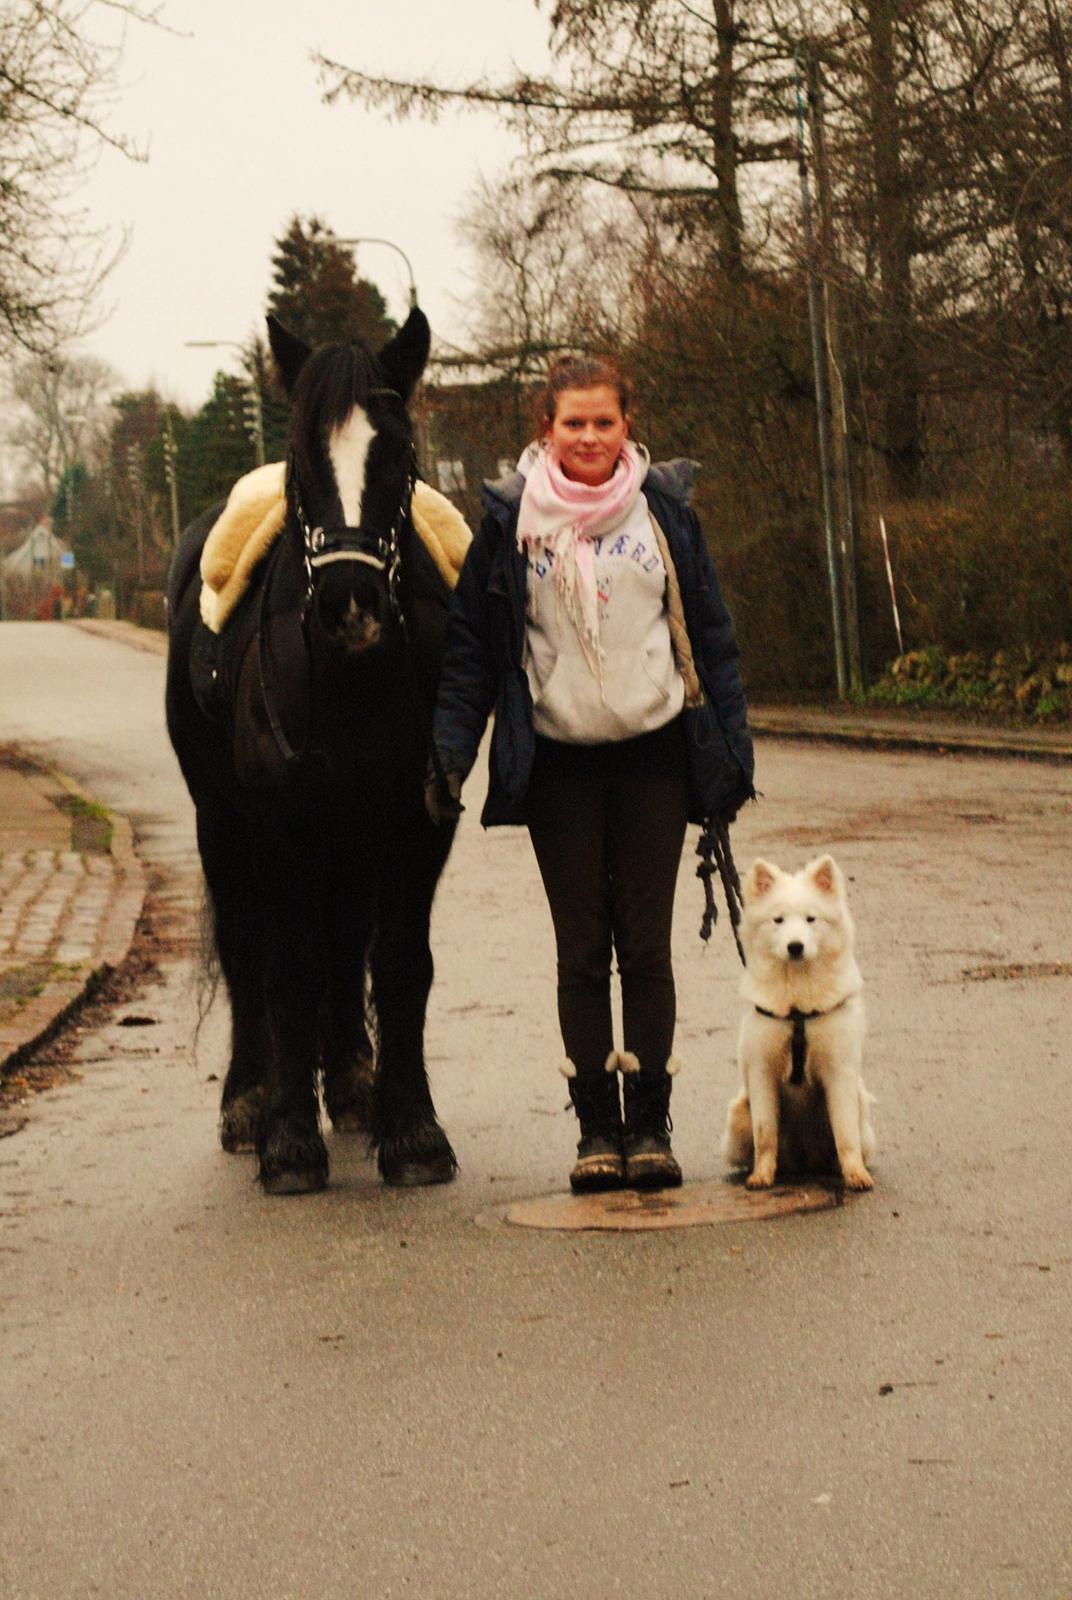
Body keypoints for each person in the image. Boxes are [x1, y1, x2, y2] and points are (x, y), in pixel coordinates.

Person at [426, 356, 754, 1193]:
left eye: (603, 422)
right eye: (572, 422)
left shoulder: (665, 515)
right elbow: (471, 656)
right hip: (559, 764)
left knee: (645, 948)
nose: (589, 438)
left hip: (653, 757)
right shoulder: (508, 524)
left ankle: (649, 1125)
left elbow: (711, 637)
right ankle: (595, 1134)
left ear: (626, 426)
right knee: (581, 951)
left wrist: (732, 756)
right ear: (546, 429)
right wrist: (451, 756)